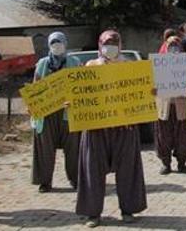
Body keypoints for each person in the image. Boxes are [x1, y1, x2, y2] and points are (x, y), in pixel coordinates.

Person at [76, 30, 148, 228]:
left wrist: (149, 93)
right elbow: (80, 93)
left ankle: (128, 209)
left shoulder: (131, 67)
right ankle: (93, 214)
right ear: (100, 44)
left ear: (120, 44)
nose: (111, 46)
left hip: (124, 127)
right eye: (107, 42)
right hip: (96, 128)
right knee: (92, 169)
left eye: (115, 42)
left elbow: (141, 93)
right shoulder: (90, 67)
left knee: (128, 170)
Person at [31, 32, 82, 193]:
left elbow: (81, 86)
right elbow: (36, 86)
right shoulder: (42, 64)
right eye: (53, 42)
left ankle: (76, 179)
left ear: (65, 43)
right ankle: (45, 182)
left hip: (69, 112)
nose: (56, 45)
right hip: (47, 114)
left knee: (74, 148)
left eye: (59, 42)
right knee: (45, 148)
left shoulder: (74, 62)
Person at [154, 30, 186, 175]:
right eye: (170, 45)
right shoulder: (158, 63)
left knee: (184, 137)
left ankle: (182, 163)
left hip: (182, 106)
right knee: (163, 136)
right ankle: (166, 163)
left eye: (176, 45)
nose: (173, 48)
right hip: (164, 107)